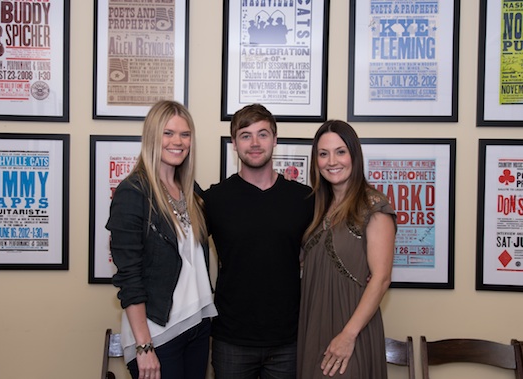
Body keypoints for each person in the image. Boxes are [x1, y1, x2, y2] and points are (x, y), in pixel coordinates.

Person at [106, 100, 217, 379]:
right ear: (152, 136)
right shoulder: (133, 192)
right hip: (157, 333)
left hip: (197, 325)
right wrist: (144, 347)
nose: (177, 141)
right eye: (168, 133)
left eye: (185, 134)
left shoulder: (190, 191)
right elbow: (129, 276)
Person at [202, 103, 314, 378]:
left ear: (275, 140)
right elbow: (180, 247)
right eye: (245, 135)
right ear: (234, 143)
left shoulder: (303, 199)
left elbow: (326, 249)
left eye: (262, 134)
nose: (254, 143)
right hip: (231, 339)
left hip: (288, 339)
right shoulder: (215, 200)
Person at [296, 120, 397, 378]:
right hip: (314, 326)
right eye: (323, 153)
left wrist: (348, 336)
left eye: (340, 151)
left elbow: (381, 278)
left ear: (354, 155)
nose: (332, 161)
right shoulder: (317, 207)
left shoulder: (373, 206)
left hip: (351, 331)